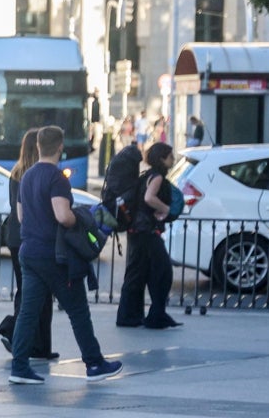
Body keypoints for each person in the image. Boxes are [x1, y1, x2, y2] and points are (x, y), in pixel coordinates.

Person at [9, 126, 122, 385]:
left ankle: (19, 366)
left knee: (28, 311)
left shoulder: (26, 176)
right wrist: (77, 219)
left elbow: (21, 216)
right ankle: (94, 363)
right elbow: (63, 216)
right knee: (78, 311)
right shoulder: (57, 178)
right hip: (54, 255)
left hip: (29, 251)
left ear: (38, 146)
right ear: (60, 147)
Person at [0, 128, 56, 360]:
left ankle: (33, 342)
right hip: (31, 238)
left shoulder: (17, 172)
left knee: (26, 290)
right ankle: (20, 335)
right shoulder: (36, 175)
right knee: (38, 292)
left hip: (15, 236)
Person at [116, 142, 181, 330]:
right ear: (162, 158)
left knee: (137, 273)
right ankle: (156, 315)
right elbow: (149, 198)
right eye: (170, 156)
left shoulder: (146, 175)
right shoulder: (157, 177)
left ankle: (130, 316)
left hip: (137, 230)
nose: (173, 160)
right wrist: (166, 209)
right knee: (163, 272)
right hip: (147, 231)